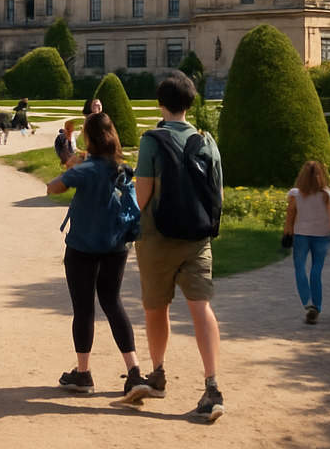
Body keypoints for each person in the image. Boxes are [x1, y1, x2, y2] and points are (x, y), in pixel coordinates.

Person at [119, 71, 225, 422]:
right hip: (197, 238)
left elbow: (143, 195)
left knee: (155, 308)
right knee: (201, 309)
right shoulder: (207, 141)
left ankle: (159, 374)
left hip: (157, 238)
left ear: (160, 104)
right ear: (190, 103)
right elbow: (218, 196)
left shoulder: (152, 140)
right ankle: (211, 386)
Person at [47, 113, 143, 396]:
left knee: (84, 309)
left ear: (88, 138)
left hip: (82, 248)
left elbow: (53, 188)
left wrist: (71, 166)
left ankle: (84, 373)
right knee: (113, 303)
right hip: (116, 246)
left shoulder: (86, 168)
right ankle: (135, 371)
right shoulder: (122, 168)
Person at [284, 160, 330, 324]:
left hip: (301, 234)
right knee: (316, 269)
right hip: (322, 235)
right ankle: (317, 305)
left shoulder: (295, 194)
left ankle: (307, 302)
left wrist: (287, 233)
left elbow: (290, 215)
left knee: (299, 267)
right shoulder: (328, 195)